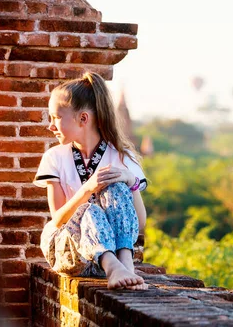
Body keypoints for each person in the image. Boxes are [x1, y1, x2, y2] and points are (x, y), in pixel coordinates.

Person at [34, 72, 149, 290]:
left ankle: (124, 264)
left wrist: (130, 181)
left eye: (56, 118)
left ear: (83, 118)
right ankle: (113, 267)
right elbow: (58, 219)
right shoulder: (55, 157)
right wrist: (87, 188)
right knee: (90, 209)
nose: (51, 126)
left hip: (113, 253)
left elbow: (140, 223)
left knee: (116, 183)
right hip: (70, 251)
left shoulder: (123, 157)